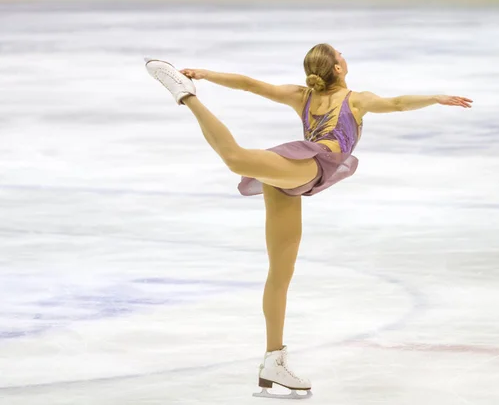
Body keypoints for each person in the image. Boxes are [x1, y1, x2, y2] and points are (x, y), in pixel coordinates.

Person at [144, 44, 472, 399]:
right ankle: (185, 98)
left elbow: (249, 84)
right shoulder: (355, 100)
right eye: (341, 55)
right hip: (306, 165)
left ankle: (274, 359)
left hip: (296, 178)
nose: (345, 56)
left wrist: (209, 73)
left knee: (281, 272)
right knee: (236, 159)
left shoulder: (302, 96)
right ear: (338, 68)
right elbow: (396, 104)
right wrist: (435, 98)